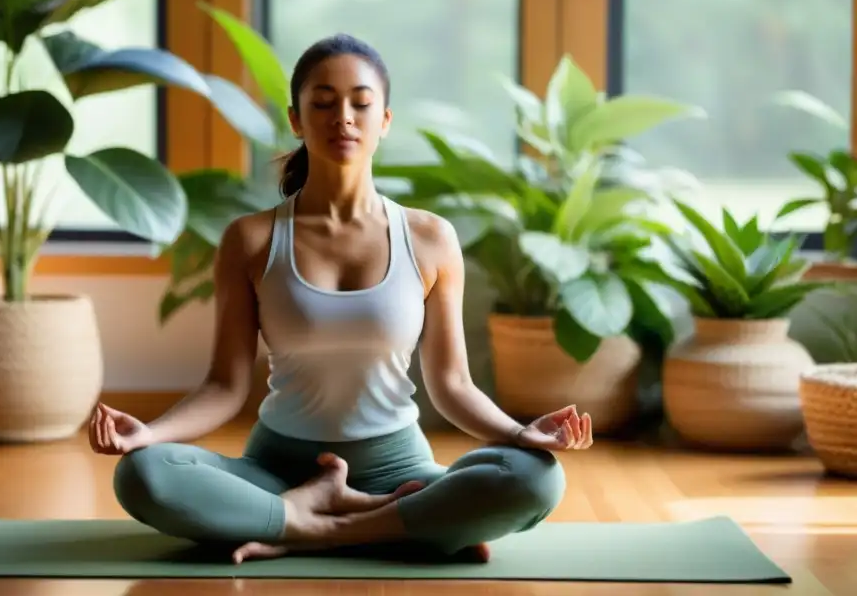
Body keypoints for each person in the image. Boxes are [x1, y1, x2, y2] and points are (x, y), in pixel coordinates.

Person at [88, 33, 593, 565]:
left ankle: (310, 527)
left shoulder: (429, 239)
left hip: (399, 473)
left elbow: (452, 384)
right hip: (275, 472)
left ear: (386, 120)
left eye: (361, 102)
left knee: (535, 478)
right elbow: (224, 385)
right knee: (144, 474)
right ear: (296, 120)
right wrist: (149, 432)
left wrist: (521, 433)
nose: (343, 117)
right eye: (323, 103)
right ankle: (401, 528)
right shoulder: (252, 239)